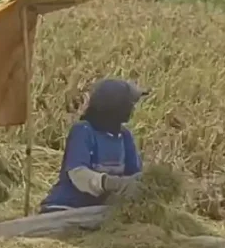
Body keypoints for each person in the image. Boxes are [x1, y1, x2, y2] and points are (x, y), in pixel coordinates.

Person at [39, 78, 146, 213]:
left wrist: (144, 182)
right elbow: (79, 175)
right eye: (130, 104)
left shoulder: (125, 136)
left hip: (100, 211)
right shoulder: (83, 131)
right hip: (66, 208)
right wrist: (111, 183)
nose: (133, 108)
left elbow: (135, 174)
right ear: (117, 107)